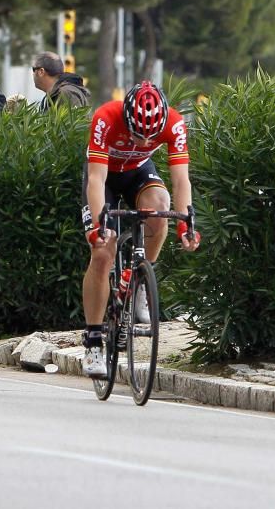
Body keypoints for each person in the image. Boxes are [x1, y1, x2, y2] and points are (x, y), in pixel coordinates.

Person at [79, 81, 200, 377]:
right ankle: (94, 340)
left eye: (150, 136)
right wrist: (99, 226)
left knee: (160, 208)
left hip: (138, 172)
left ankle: (140, 285)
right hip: (104, 176)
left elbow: (181, 180)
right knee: (102, 252)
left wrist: (186, 223)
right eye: (136, 133)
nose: (144, 140)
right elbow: (95, 180)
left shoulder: (174, 123)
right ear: (128, 118)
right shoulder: (106, 117)